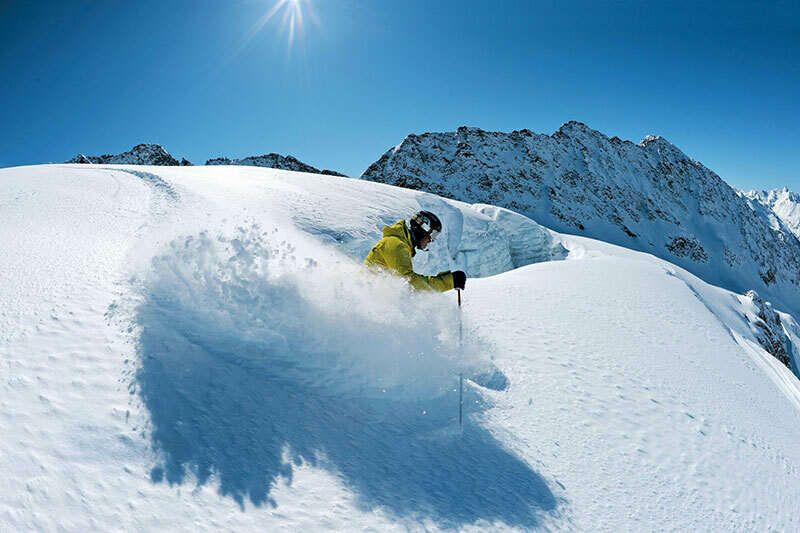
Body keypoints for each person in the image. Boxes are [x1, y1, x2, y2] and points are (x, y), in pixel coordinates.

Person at [364, 210, 467, 292]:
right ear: (423, 229)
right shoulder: (396, 245)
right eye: (432, 234)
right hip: (370, 300)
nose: (431, 240)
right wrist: (449, 281)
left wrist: (448, 277)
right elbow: (410, 284)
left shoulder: (400, 244)